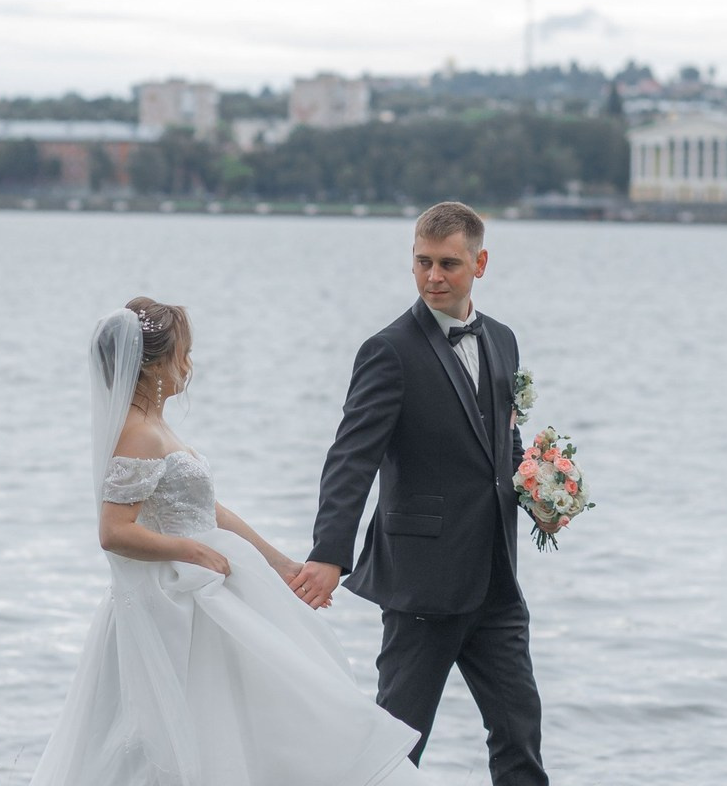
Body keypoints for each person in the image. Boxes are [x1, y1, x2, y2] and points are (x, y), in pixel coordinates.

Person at [28, 295, 428, 786]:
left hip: (213, 589)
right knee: (196, 725)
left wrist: (281, 565)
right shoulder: (137, 434)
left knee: (260, 713)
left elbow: (207, 509)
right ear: (152, 365)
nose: (188, 366)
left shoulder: (156, 427)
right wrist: (192, 550)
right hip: (179, 603)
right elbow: (114, 532)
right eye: (183, 354)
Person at [289, 202, 557, 785]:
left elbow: (499, 443)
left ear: (480, 263)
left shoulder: (504, 341)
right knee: (396, 747)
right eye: (423, 263)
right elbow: (350, 458)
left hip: (497, 584)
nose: (433, 276)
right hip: (422, 586)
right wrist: (330, 553)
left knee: (520, 735)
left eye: (448, 264)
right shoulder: (389, 351)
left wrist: (540, 491)